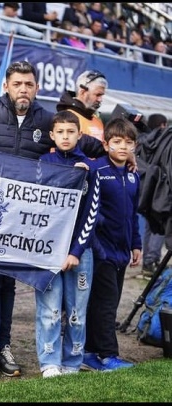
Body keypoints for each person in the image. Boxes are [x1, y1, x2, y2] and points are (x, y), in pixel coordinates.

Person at [0, 60, 105, 382]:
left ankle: (5, 347)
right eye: (17, 84)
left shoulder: (47, 119)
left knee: (11, 285)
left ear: (37, 88)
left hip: (26, 224)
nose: (23, 90)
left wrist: (115, 156)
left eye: (29, 84)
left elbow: (85, 143)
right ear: (6, 85)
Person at [35, 110, 100, 378]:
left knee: (76, 311)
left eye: (70, 132)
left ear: (79, 135)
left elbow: (92, 213)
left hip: (80, 253)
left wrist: (75, 251)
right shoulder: (43, 162)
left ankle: (71, 362)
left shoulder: (89, 168)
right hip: (48, 251)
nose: (65, 136)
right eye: (60, 132)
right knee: (49, 309)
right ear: (52, 135)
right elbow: (34, 204)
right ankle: (49, 362)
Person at [82, 118, 142, 372]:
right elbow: (90, 210)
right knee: (104, 304)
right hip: (101, 250)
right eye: (117, 142)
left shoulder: (133, 175)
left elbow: (133, 213)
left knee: (110, 302)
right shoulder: (96, 169)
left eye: (128, 143)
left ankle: (90, 352)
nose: (122, 147)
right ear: (106, 144)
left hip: (122, 251)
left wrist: (136, 244)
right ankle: (108, 356)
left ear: (135, 146)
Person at [137, 113, 168, 279]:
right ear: (162, 125)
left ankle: (147, 262)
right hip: (160, 189)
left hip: (145, 189)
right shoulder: (164, 142)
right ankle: (152, 260)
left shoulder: (143, 140)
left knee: (150, 227)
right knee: (160, 227)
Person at [56, 70, 108, 142]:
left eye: (102, 95)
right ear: (82, 92)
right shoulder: (66, 119)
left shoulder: (97, 120)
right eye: (98, 95)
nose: (100, 100)